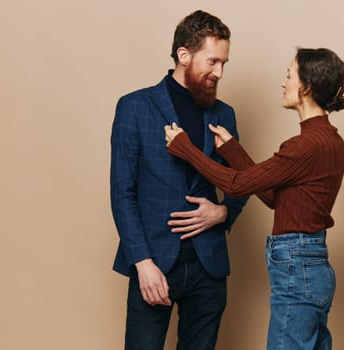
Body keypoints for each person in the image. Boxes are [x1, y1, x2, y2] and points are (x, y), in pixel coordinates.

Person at [164, 47, 344, 350]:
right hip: (314, 265)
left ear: (305, 87)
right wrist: (233, 150)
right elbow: (275, 198)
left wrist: (185, 148)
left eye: (289, 75)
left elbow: (236, 186)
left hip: (297, 266)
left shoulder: (304, 145)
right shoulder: (331, 141)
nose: (283, 82)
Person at [110, 10, 248, 350]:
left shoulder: (224, 113)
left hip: (209, 266)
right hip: (154, 261)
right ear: (183, 55)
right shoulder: (134, 107)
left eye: (224, 64)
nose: (219, 72)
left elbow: (243, 179)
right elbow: (122, 192)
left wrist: (223, 212)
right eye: (213, 61)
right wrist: (142, 263)